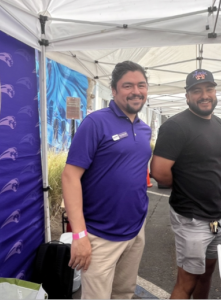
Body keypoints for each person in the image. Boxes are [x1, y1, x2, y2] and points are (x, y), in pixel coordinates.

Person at [62, 61, 151, 299]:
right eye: (128, 86)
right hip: (100, 235)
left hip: (135, 231)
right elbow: (70, 176)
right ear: (113, 90)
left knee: (124, 293)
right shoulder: (95, 122)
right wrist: (79, 235)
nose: (136, 91)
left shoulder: (144, 129)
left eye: (141, 85)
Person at [150, 69, 221, 299]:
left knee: (207, 273)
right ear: (187, 96)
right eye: (197, 91)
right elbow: (159, 172)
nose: (204, 95)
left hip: (219, 216)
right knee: (187, 282)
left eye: (209, 89)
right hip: (192, 218)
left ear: (215, 92)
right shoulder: (176, 126)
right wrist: (188, 186)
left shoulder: (218, 122)